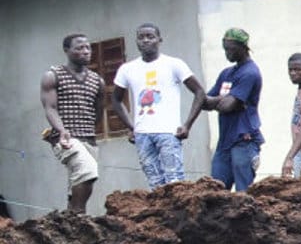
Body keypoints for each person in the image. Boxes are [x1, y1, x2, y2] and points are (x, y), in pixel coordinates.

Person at [110, 22, 205, 188]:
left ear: (159, 40)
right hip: (143, 134)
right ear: (136, 41)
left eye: (150, 36)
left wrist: (187, 124)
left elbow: (199, 92)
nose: (145, 40)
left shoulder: (174, 64)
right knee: (155, 182)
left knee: (175, 180)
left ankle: (177, 213)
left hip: (169, 132)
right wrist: (131, 127)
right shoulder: (127, 69)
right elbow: (115, 100)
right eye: (141, 37)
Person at [40, 33, 103, 214]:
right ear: (66, 50)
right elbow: (50, 108)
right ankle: (78, 215)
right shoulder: (53, 76)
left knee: (80, 180)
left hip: (88, 138)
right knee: (87, 171)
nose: (85, 51)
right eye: (79, 48)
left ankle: (70, 218)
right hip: (65, 137)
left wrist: (89, 129)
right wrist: (62, 130)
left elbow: (98, 111)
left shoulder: (97, 80)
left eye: (87, 48)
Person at [203, 27, 262, 192]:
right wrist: (224, 99)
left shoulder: (250, 72)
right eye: (225, 49)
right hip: (225, 141)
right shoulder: (226, 73)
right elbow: (205, 103)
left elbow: (227, 106)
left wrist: (222, 101)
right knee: (216, 191)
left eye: (231, 49)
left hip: (244, 139)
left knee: (243, 193)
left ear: (243, 48)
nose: (227, 53)